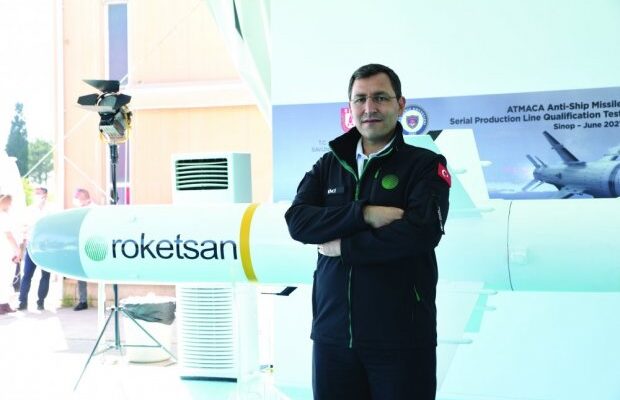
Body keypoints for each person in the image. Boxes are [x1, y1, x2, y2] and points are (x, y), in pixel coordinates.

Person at [285, 64, 450, 400]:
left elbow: (421, 233)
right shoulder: (329, 164)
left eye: (380, 98)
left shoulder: (424, 164)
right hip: (333, 337)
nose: (369, 108)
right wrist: (364, 213)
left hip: (401, 338)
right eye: (360, 99)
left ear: (400, 105)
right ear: (350, 108)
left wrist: (345, 247)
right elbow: (298, 222)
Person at [18, 187, 52, 311]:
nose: (37, 195)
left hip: (46, 248)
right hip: (31, 246)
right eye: (35, 193)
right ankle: (22, 302)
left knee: (45, 275)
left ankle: (41, 302)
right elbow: (24, 228)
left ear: (45, 194)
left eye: (39, 193)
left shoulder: (51, 210)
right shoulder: (29, 210)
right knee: (27, 274)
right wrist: (22, 246)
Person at [0, 193, 21, 315]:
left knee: (5, 278)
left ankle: (5, 304)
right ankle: (2, 304)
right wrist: (17, 250)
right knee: (6, 278)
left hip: (4, 250)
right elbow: (9, 236)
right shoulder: (3, 216)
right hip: (6, 251)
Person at [72, 188, 92, 311]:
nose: (76, 200)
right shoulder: (77, 211)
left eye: (78, 197)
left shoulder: (94, 209)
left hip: (94, 244)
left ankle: (104, 300)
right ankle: (83, 301)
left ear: (86, 198)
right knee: (81, 273)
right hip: (80, 245)